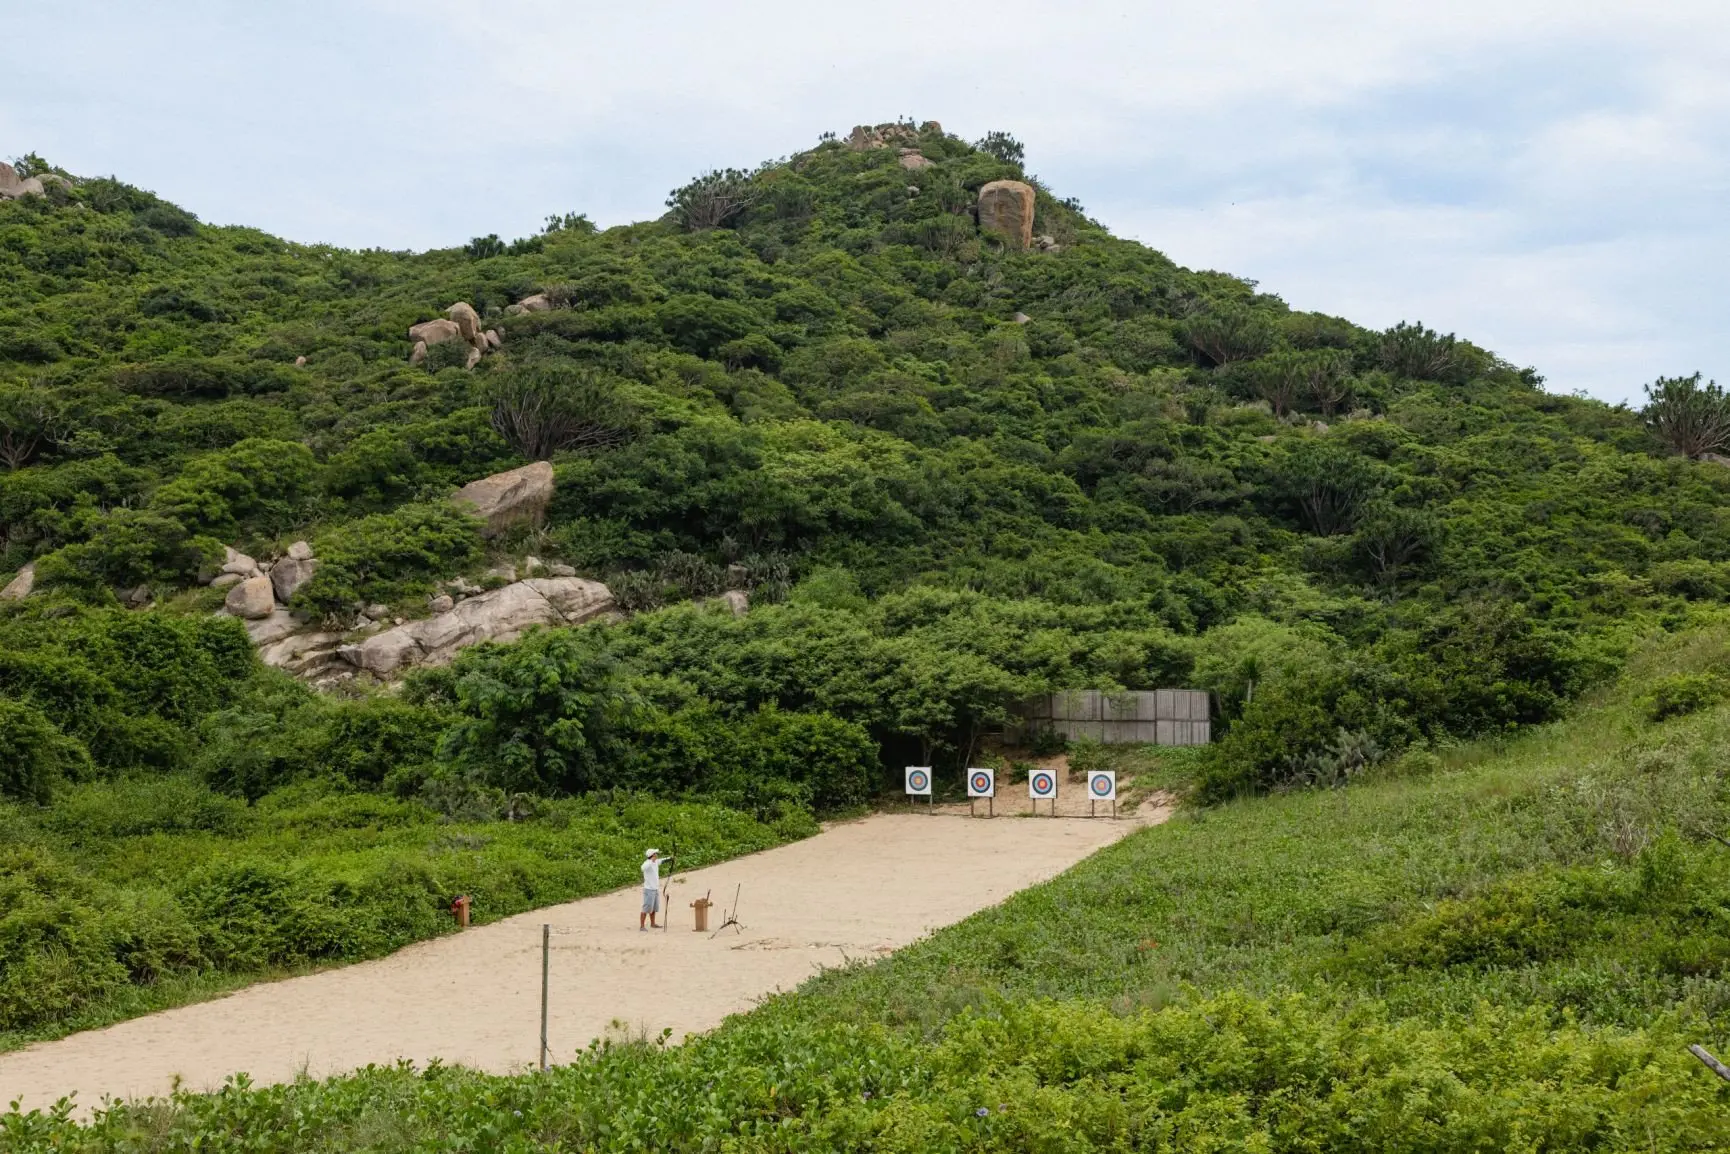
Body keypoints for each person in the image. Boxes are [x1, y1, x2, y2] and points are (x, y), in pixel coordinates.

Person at [639, 848, 672, 930]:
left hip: (655, 889)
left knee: (654, 908)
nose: (657, 855)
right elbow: (642, 868)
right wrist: (651, 861)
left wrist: (671, 858)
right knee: (646, 907)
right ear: (652, 855)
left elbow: (662, 860)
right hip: (649, 889)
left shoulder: (656, 862)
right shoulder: (647, 863)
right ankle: (642, 926)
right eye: (655, 854)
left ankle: (653, 924)